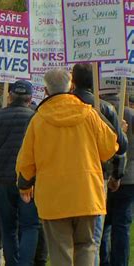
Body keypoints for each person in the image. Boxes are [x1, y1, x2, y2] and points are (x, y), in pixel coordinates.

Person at [16, 68, 119, 265]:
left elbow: (26, 161)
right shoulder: (90, 114)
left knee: (60, 250)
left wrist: (24, 185)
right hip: (87, 194)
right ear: (71, 87)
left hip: (53, 197)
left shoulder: (38, 120)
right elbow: (110, 148)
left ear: (46, 91)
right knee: (87, 246)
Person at [0, 80, 41, 266]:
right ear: (30, 99)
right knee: (30, 225)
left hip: (2, 180)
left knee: (8, 225)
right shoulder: (36, 118)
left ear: (9, 96)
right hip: (29, 180)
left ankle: (12, 263)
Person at [70, 63, 128, 265]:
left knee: (65, 239)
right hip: (95, 177)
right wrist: (116, 175)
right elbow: (120, 146)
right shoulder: (103, 108)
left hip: (63, 177)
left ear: (73, 80)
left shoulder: (58, 105)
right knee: (91, 238)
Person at [99, 94, 134, 266]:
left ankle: (104, 261)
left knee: (102, 226)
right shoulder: (129, 113)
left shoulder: (98, 111)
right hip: (128, 178)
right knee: (122, 226)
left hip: (104, 175)